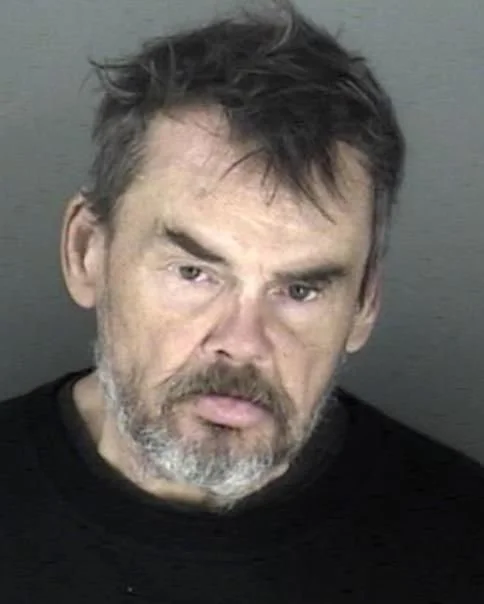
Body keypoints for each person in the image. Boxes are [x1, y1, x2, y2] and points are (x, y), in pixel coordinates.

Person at [2, 3, 484, 602]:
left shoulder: (465, 547)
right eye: (194, 272)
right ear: (86, 252)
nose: (243, 342)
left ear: (364, 304)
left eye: (300, 290)